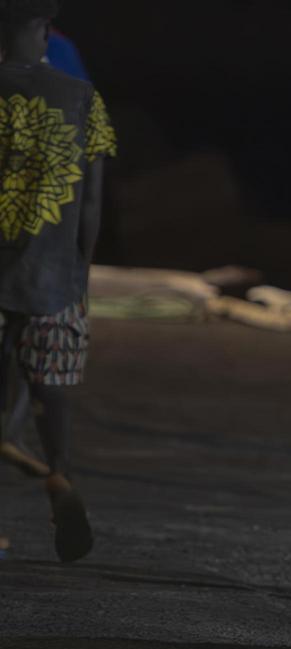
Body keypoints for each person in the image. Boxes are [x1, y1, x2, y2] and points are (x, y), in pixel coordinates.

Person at [0, 0, 116, 563]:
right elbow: (91, 204)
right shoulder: (82, 98)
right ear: (45, 31)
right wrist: (79, 275)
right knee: (50, 398)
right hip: (54, 280)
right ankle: (61, 477)